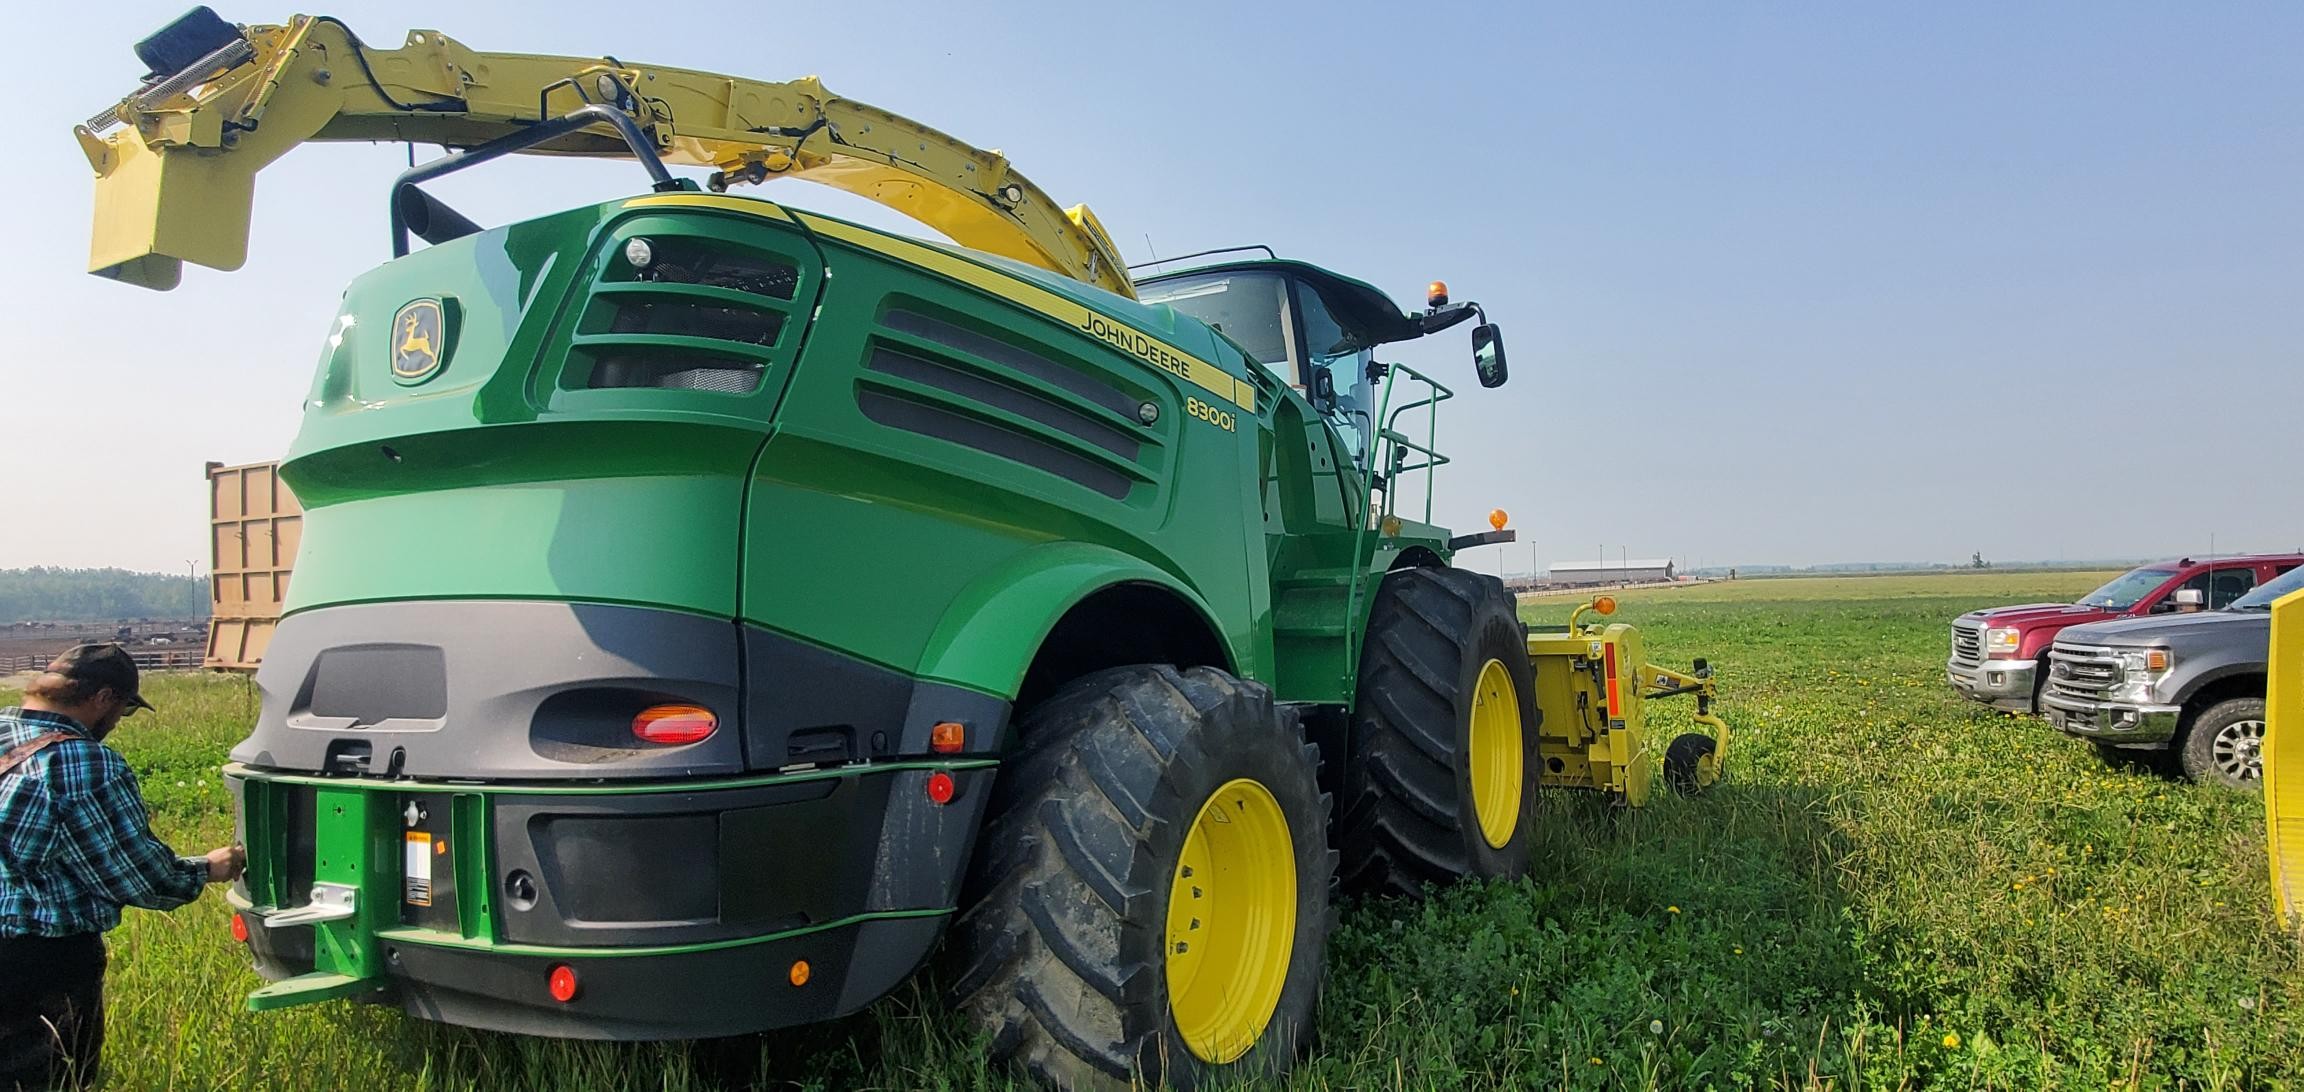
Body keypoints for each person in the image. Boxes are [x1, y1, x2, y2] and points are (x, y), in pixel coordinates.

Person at [0, 644, 243, 1090]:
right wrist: (207, 869)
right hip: (43, 963)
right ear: (103, 698)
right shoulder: (85, 763)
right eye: (124, 711)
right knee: (50, 1078)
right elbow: (139, 880)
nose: (116, 724)